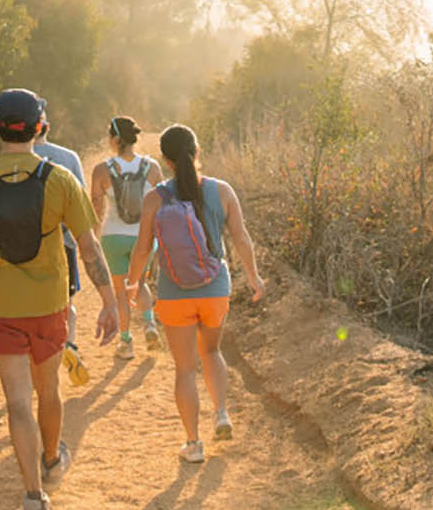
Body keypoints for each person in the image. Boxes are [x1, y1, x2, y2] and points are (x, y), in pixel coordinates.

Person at [0, 89, 119, 510]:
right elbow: (89, 249)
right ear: (41, 127)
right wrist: (111, 303)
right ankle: (53, 459)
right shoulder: (60, 180)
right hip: (48, 306)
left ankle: (34, 502)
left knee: (17, 402)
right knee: (48, 390)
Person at [126, 123, 265, 463]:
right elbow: (241, 239)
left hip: (175, 294)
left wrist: (134, 282)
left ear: (166, 160)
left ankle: (193, 443)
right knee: (212, 351)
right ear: (197, 152)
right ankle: (221, 414)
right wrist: (254, 277)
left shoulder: (154, 199)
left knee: (185, 369)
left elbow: (143, 249)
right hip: (216, 288)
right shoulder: (223, 191)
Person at [88, 115, 163, 356]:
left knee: (120, 291)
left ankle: (126, 342)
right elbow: (163, 203)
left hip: (113, 237)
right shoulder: (152, 168)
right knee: (139, 283)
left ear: (114, 139)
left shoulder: (101, 170)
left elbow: (96, 207)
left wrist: (95, 237)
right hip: (143, 236)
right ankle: (150, 325)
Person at [31, 118, 88, 345]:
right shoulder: (69, 157)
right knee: (67, 303)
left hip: (25, 244)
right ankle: (70, 345)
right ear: (47, 127)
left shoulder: (13, 160)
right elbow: (81, 203)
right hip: (64, 242)